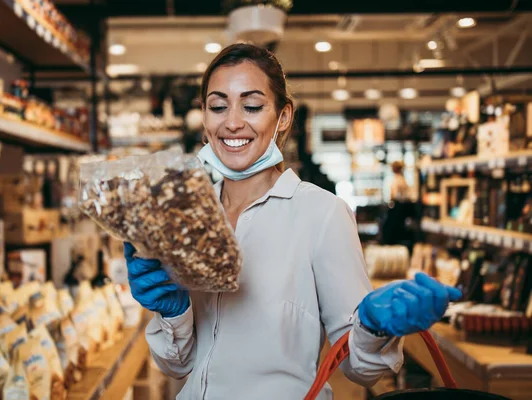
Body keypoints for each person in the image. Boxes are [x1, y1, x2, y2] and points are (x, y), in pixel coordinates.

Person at [125, 44, 461, 399]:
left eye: (252, 106)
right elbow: (178, 365)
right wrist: (173, 312)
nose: (232, 121)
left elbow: (361, 370)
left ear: (283, 117)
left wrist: (373, 328)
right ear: (205, 118)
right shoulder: (187, 216)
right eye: (218, 106)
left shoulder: (321, 214)